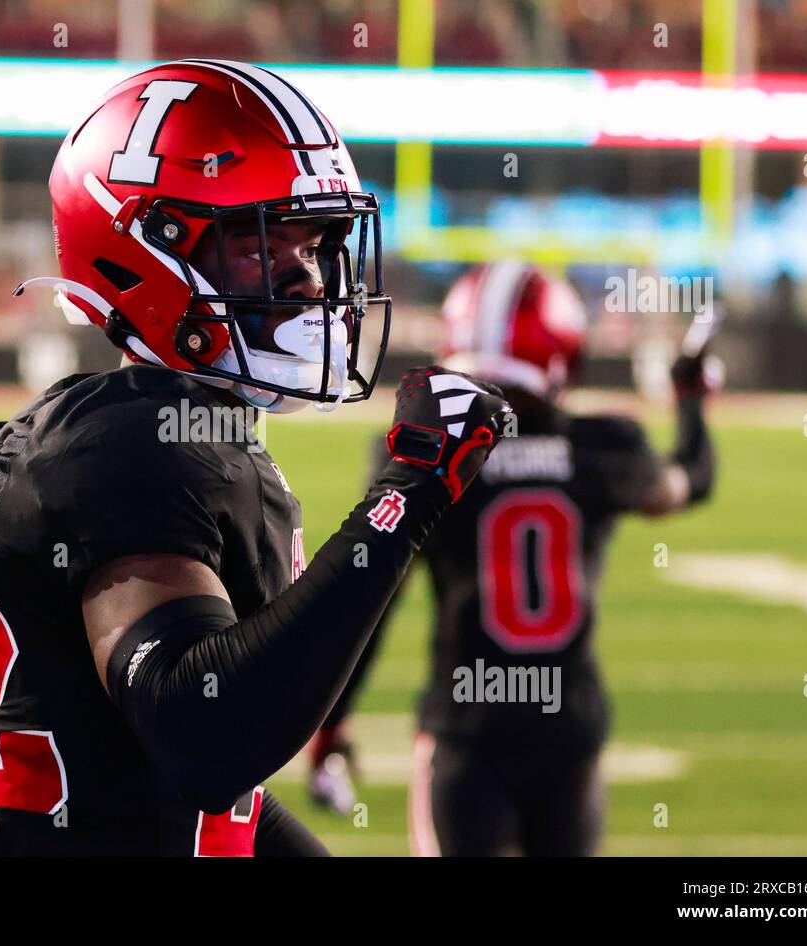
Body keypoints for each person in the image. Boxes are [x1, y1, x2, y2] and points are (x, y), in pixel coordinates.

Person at [0, 60, 511, 856]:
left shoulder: (185, 430)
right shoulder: (127, 439)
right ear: (149, 249)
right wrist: (408, 494)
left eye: (314, 245)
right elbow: (201, 734)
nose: (308, 282)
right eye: (262, 246)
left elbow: (210, 807)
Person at [307, 260, 717, 856]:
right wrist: (690, 400)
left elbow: (373, 601)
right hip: (567, 731)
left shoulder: (430, 455)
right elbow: (692, 480)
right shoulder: (603, 450)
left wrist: (332, 720)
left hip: (467, 732)